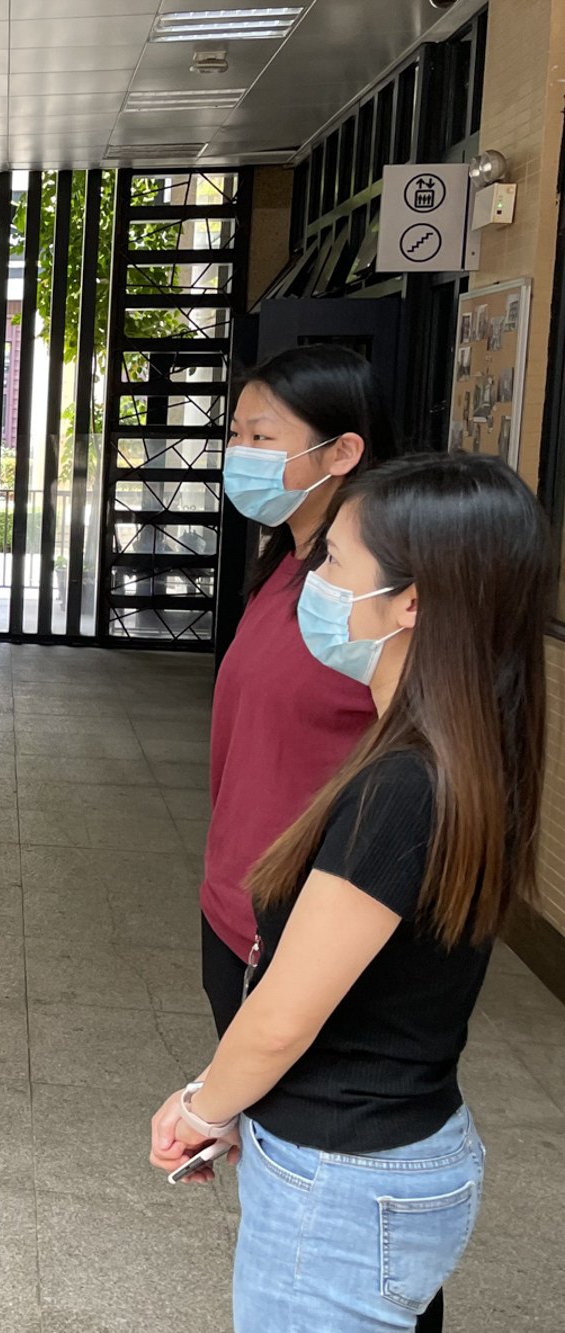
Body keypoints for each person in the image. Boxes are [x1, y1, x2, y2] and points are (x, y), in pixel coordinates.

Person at [151, 451, 552, 1331]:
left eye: (334, 560)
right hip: (397, 1142)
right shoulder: (466, 751)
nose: (314, 582)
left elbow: (285, 1014)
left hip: (341, 1182)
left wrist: (202, 1106)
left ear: (411, 602)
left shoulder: (402, 787)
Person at [203, 345, 401, 1031]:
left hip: (307, 921)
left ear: (342, 451)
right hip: (238, 898)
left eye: (261, 437)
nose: (239, 453)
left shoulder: (373, 601)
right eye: (235, 434)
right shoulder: (288, 565)